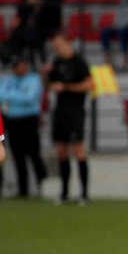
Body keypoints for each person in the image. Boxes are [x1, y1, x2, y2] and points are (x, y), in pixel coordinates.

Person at [45, 35, 93, 204]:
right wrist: (49, 81)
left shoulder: (79, 62)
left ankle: (84, 194)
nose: (56, 49)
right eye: (54, 46)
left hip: (75, 111)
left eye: (58, 45)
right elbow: (49, 83)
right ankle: (64, 193)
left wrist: (66, 87)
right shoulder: (56, 63)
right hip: (60, 111)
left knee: (78, 150)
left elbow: (89, 85)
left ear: (67, 44)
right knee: (61, 151)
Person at [0, 59, 47, 198]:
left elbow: (31, 98)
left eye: (21, 66)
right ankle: (23, 190)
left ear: (25, 66)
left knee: (34, 154)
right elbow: (1, 95)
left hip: (29, 121)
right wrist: (20, 96)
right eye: (16, 67)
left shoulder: (34, 80)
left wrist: (12, 97)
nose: (19, 69)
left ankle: (41, 186)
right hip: (13, 121)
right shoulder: (9, 80)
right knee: (17, 156)